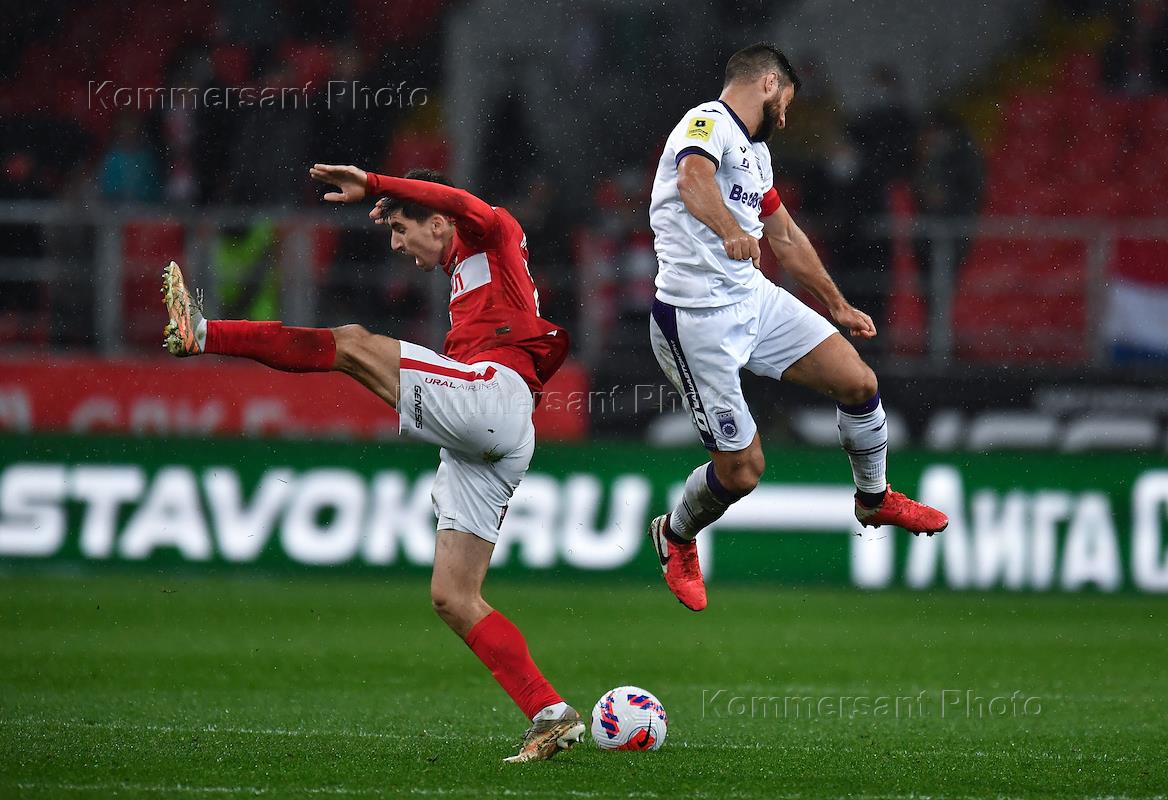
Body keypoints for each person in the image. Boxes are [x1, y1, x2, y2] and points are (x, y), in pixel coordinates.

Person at [160, 165, 582, 763]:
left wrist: (379, 184)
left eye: (402, 229)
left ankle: (204, 334)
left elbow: (460, 199)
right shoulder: (466, 269)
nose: (396, 246)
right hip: (496, 435)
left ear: (438, 223)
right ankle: (551, 714)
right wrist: (394, 199)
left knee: (352, 343)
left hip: (494, 396)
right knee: (453, 595)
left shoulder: (492, 233)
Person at [646, 44, 949, 612]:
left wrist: (836, 304)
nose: (785, 116)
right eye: (785, 101)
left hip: (753, 299)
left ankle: (873, 498)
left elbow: (784, 236)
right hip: (696, 321)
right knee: (742, 472)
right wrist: (729, 230)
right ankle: (676, 534)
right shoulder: (705, 122)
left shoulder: (756, 154)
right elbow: (692, 179)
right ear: (768, 83)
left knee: (858, 382)